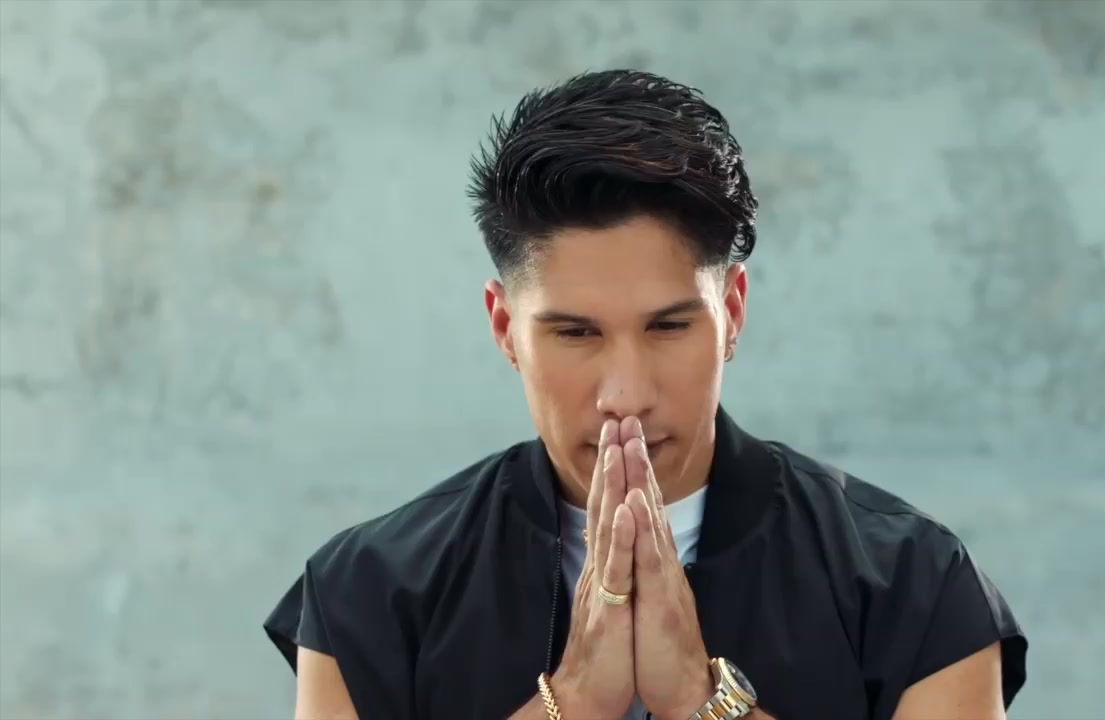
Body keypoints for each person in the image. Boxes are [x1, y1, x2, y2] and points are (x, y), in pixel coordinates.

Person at [264, 68, 1028, 720]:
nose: (625, 395)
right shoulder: (366, 594)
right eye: (575, 333)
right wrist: (572, 702)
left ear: (732, 312)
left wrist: (700, 698)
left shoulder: (916, 589)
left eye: (668, 327)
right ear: (505, 328)